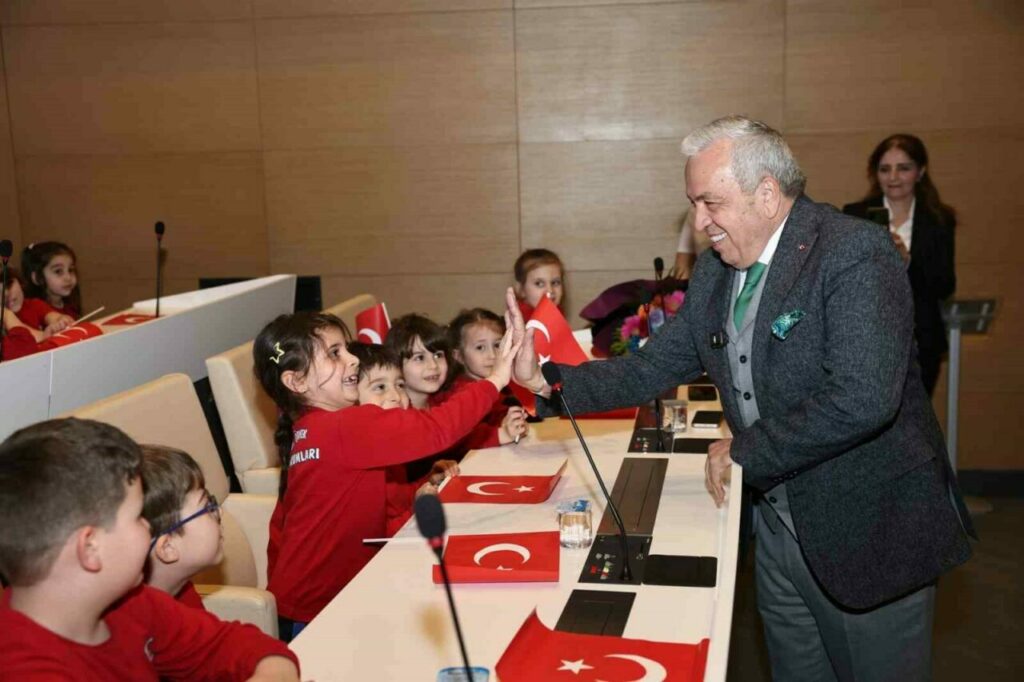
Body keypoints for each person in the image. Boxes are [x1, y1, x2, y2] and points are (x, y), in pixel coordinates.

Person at [508, 115, 974, 682]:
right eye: (693, 204)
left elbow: (862, 397)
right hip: (778, 533)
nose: (699, 222)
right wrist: (546, 381)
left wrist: (747, 449)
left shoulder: (854, 252)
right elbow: (652, 366)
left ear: (767, 194)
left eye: (711, 203)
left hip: (868, 534)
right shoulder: (716, 271)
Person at [253, 311, 520, 640]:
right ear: (297, 382)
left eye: (346, 349)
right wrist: (495, 379)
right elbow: (439, 428)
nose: (352, 359)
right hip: (318, 609)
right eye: (335, 353)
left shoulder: (311, 429)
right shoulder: (346, 426)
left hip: (307, 599)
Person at [0, 418, 300, 680]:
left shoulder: (130, 601)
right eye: (137, 518)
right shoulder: (24, 671)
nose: (148, 527)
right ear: (90, 548)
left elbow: (237, 646)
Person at [843, 134, 956, 395]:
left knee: (916, 416)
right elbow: (843, 277)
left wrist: (908, 261)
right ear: (875, 174)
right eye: (885, 169)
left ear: (920, 171)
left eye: (903, 168)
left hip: (922, 340)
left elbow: (946, 285)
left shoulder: (938, 219)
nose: (893, 177)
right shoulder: (855, 215)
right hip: (866, 337)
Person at [347, 341, 459, 536]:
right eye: (380, 387)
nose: (396, 396)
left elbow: (399, 500)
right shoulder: (360, 460)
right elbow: (373, 538)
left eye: (400, 385)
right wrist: (417, 510)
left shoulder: (388, 444)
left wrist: (429, 479)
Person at [140, 445, 224, 610]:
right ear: (168, 547)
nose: (219, 511)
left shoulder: (184, 592)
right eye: (208, 507)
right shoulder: (140, 620)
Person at [21, 241, 82, 319]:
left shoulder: (71, 308)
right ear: (37, 278)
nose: (68, 277)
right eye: (58, 271)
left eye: (70, 270)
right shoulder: (33, 312)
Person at [513, 248, 565, 319]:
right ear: (521, 289)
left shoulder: (557, 316)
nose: (550, 290)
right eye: (539, 284)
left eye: (555, 283)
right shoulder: (520, 322)